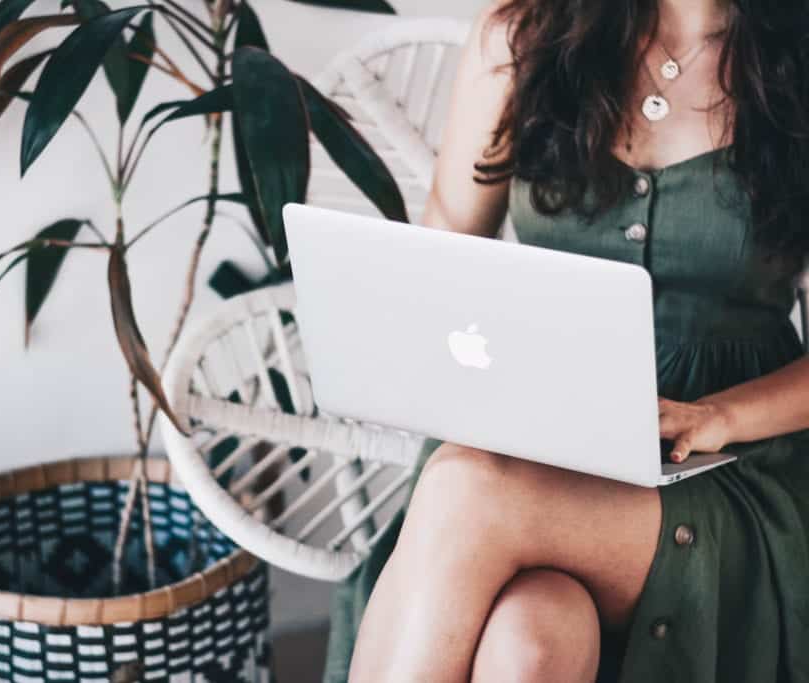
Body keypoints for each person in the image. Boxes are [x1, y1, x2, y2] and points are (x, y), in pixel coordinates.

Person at [322, 0, 809, 681]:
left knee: (466, 488)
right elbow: (443, 253)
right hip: (537, 434)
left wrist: (717, 415)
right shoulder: (523, 35)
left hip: (734, 461)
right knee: (529, 643)